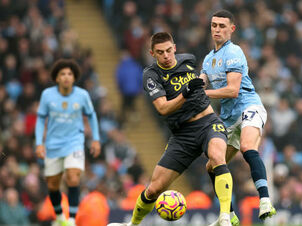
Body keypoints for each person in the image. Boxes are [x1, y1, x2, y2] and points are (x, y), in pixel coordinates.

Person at [108, 32, 234, 226]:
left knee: (217, 157)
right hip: (182, 135)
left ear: (174, 48)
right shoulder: (151, 75)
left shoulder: (188, 59)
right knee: (153, 189)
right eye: (160, 52)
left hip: (208, 121)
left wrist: (202, 80)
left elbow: (205, 74)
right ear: (152, 53)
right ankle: (132, 224)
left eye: (169, 50)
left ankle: (226, 217)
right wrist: (186, 92)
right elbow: (162, 108)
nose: (166, 56)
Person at [200, 9, 276, 223]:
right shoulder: (208, 59)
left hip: (249, 106)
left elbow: (233, 90)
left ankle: (265, 200)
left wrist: (203, 92)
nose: (217, 29)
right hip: (229, 117)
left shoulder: (234, 52)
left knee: (246, 147)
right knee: (212, 164)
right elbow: (200, 83)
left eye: (222, 26)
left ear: (231, 29)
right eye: (214, 25)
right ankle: (229, 214)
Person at [35, 59, 101, 226]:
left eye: (69, 74)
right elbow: (41, 118)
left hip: (74, 142)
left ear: (74, 77)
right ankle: (59, 218)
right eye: (62, 74)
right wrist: (39, 143)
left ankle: (71, 220)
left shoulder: (82, 95)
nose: (66, 77)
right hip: (52, 144)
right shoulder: (47, 95)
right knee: (53, 185)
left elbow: (92, 115)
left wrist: (96, 139)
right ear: (56, 78)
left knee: (73, 177)